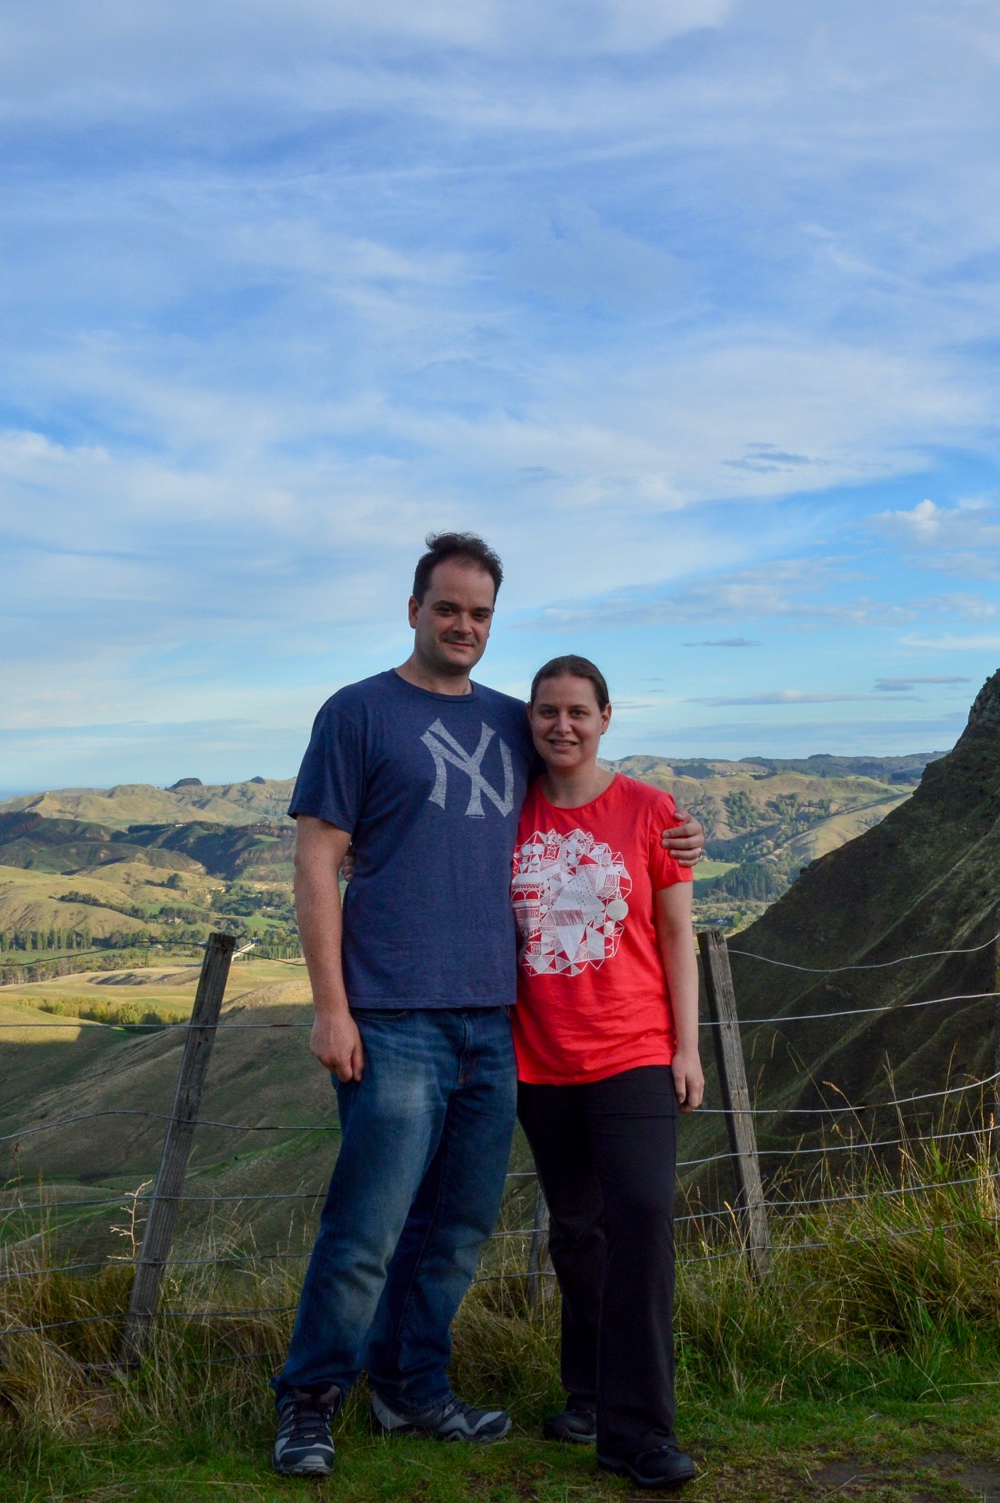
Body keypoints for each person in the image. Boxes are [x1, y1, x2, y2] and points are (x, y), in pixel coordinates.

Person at [270, 534, 703, 1479]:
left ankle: (412, 1386)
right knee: (367, 1225)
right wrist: (329, 1007)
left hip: (496, 1024)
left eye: (480, 614)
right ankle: (309, 1399)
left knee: (457, 1229)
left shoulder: (513, 719)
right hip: (390, 1015)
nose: (463, 625)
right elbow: (315, 862)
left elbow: (592, 781)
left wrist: (679, 830)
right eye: (447, 607)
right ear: (415, 608)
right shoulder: (355, 713)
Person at [509, 654, 704, 1490]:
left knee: (643, 1223)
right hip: (539, 1060)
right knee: (578, 1231)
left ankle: (639, 1431)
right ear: (531, 719)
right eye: (548, 711)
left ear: (606, 717)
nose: (563, 725)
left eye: (578, 711)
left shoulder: (649, 810)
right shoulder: (507, 813)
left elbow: (674, 935)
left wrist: (685, 1047)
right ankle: (586, 1394)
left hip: (632, 1051)